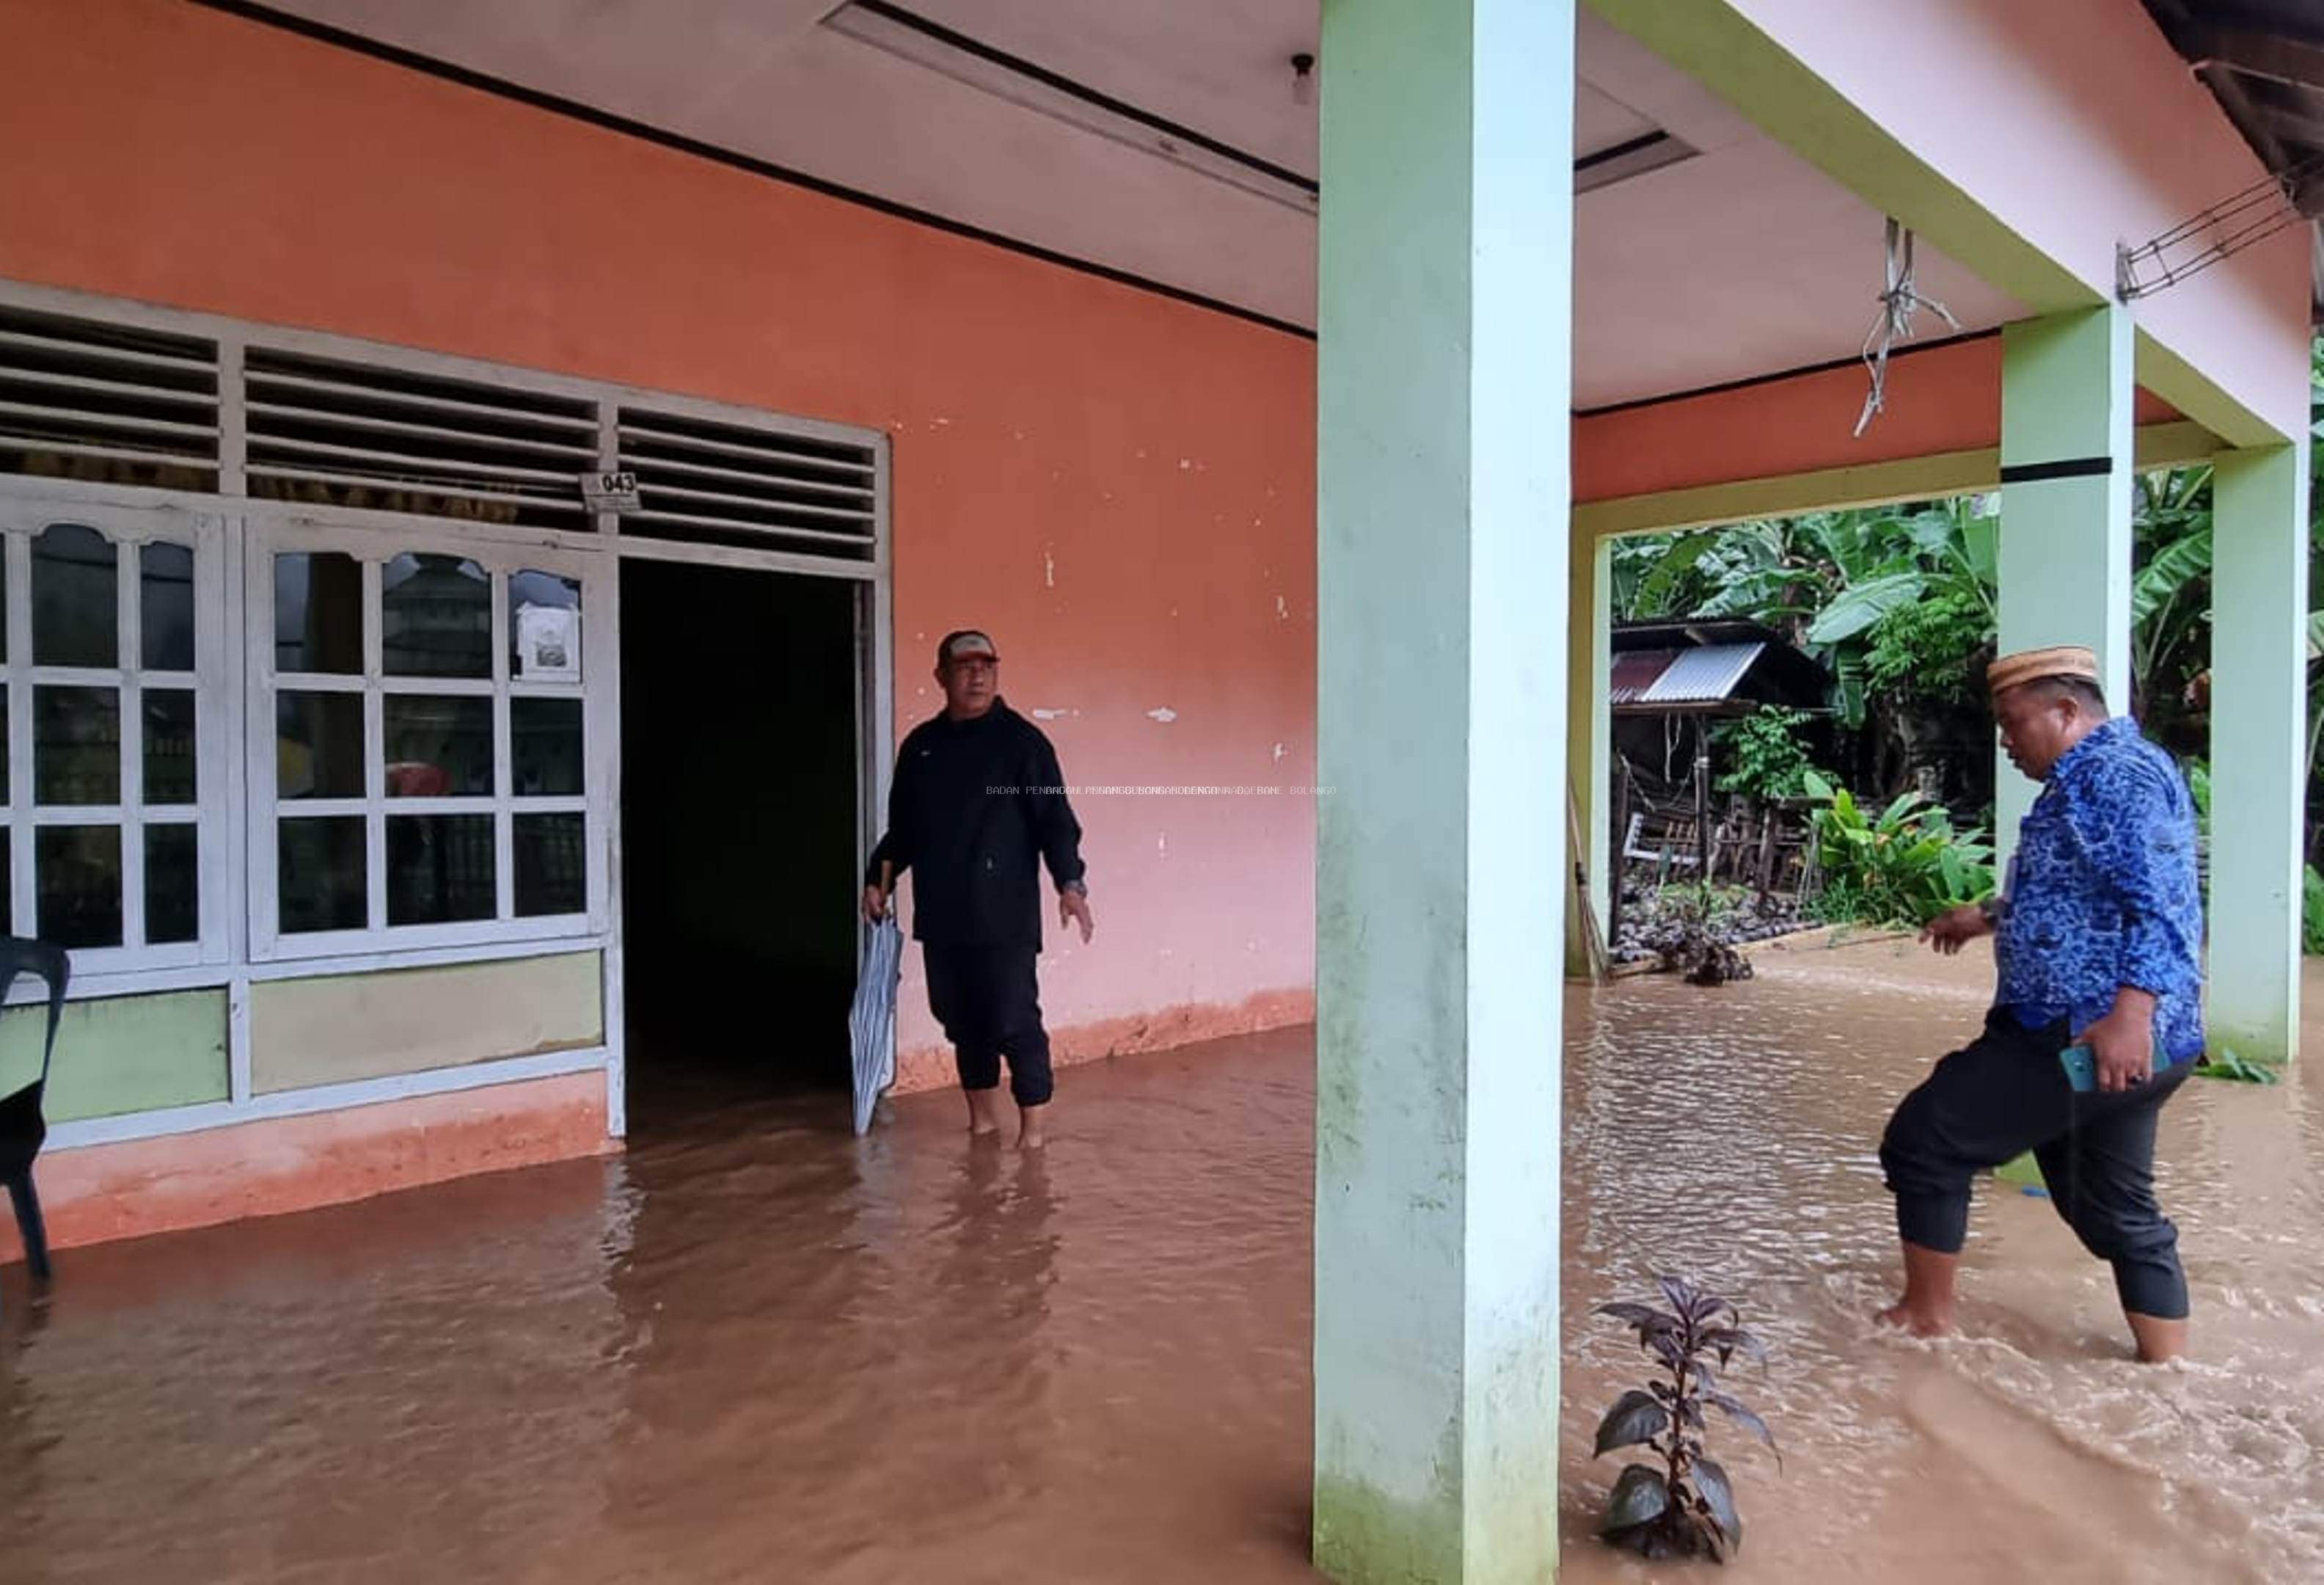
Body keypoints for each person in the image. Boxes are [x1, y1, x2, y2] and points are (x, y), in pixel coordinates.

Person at [1877, 644, 2204, 1363]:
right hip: (2128, 1049)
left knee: (1927, 1139)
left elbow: (2164, 903)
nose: (2004, 739)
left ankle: (1923, 1322)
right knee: (2113, 1210)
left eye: (2011, 722)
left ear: (2066, 711)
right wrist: (1989, 916)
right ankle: (2172, 1376)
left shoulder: (2117, 775)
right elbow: (2080, 894)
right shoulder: (2083, 778)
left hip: (2088, 1041)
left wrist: (2133, 1014)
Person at [863, 630, 1093, 1148]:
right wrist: (878, 879)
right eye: (965, 666)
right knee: (961, 1020)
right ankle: (983, 1127)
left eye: (987, 664)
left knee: (1012, 1018)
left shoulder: (1022, 744)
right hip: (944, 915)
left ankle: (1033, 1139)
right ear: (941, 676)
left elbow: (1054, 821)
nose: (978, 674)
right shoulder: (921, 748)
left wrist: (1070, 882)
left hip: (1004, 916)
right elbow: (905, 831)